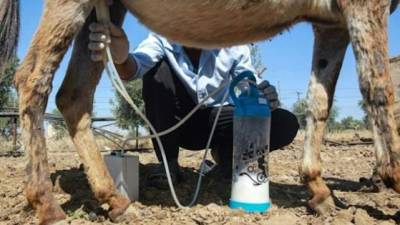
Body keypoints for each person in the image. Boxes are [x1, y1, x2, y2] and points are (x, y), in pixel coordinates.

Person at [88, 23, 299, 188]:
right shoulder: (162, 38)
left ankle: (227, 160)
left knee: (285, 123)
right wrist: (121, 58)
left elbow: (247, 86)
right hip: (179, 127)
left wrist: (262, 95)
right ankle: (169, 165)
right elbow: (132, 69)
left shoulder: (235, 44)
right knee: (157, 71)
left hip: (219, 122)